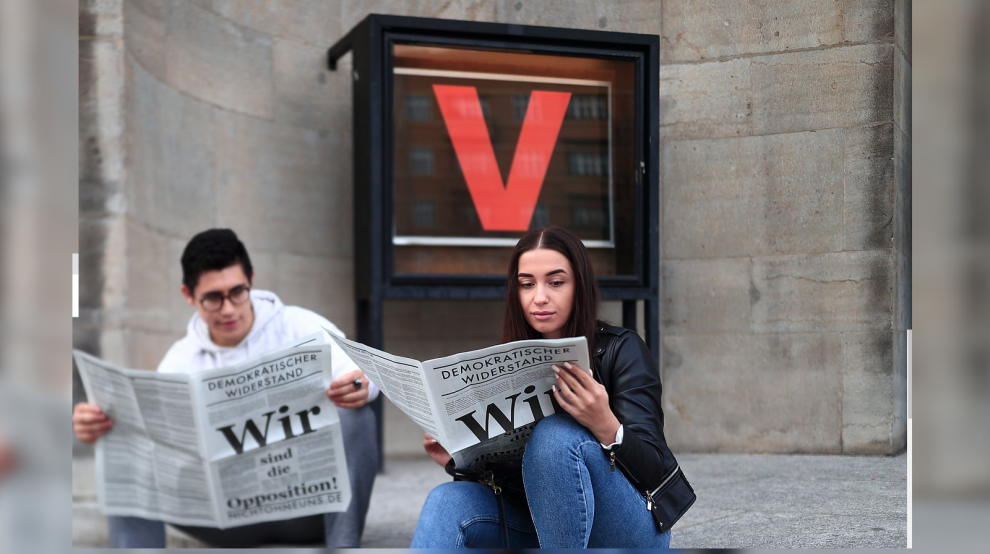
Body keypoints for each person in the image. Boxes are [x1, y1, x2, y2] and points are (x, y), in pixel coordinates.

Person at [72, 228, 379, 548]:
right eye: (213, 298)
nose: (229, 309)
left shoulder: (299, 325)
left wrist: (361, 385)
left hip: (309, 510)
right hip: (226, 520)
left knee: (355, 417)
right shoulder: (181, 359)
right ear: (189, 295)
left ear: (251, 281)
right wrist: (99, 424)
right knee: (128, 451)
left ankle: (344, 547)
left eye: (237, 292)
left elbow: (362, 377)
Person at [411, 226, 683, 548]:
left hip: (629, 525)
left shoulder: (621, 350)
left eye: (556, 282)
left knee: (554, 436)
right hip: (545, 522)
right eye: (527, 284)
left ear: (579, 286)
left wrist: (605, 423)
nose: (539, 297)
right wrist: (460, 458)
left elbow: (654, 469)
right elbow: (516, 477)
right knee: (446, 500)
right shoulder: (508, 361)